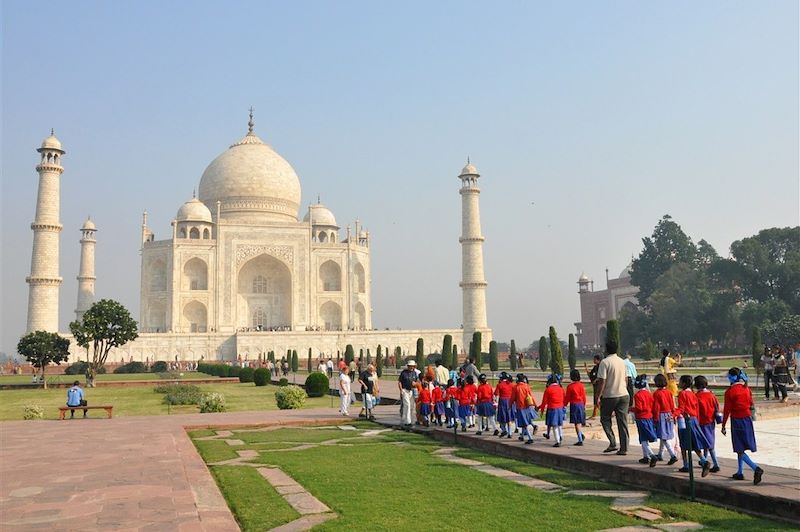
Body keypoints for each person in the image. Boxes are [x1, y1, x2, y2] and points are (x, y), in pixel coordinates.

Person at [721, 367, 764, 485]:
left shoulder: (730, 392)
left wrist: (723, 425)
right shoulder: (746, 389)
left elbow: (726, 411)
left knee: (739, 449)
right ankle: (739, 472)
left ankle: (756, 468)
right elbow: (751, 404)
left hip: (737, 421)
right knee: (741, 447)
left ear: (731, 377)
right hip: (747, 420)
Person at [595, 339, 630, 455]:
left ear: (606, 349)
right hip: (623, 394)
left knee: (605, 419)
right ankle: (624, 448)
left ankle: (613, 442)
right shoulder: (622, 362)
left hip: (610, 395)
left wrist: (598, 396)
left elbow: (602, 381)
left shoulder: (605, 362)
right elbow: (626, 379)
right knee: (622, 422)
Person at [674, 375, 711, 476]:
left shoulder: (682, 393)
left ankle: (686, 465)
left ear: (684, 383)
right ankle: (703, 460)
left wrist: (673, 415)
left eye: (680, 381)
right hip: (694, 420)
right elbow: (696, 408)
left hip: (686, 420)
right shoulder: (693, 394)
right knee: (694, 443)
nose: (679, 383)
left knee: (683, 443)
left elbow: (681, 408)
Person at [694, 375, 721, 473]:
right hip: (711, 422)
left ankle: (714, 463)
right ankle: (707, 461)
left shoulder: (697, 396)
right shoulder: (711, 395)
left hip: (701, 423)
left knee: (707, 444)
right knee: (710, 443)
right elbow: (717, 407)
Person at [630, 374, 658, 466]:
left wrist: (630, 409)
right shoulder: (649, 394)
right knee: (645, 437)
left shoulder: (637, 395)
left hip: (641, 418)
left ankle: (651, 455)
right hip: (649, 417)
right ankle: (646, 456)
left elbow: (639, 408)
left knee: (643, 438)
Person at [651, 373, 678, 465]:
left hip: (661, 416)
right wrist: (673, 415)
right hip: (669, 414)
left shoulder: (656, 394)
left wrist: (655, 419)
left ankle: (672, 455)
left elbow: (656, 408)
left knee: (664, 437)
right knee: (664, 436)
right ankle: (660, 454)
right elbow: (672, 405)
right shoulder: (669, 392)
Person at [539, 374, 566, 447]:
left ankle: (557, 441)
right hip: (560, 408)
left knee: (554, 426)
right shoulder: (561, 389)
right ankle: (560, 437)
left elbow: (544, 401)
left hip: (552, 409)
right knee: (559, 424)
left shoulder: (548, 389)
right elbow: (564, 398)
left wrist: (541, 411)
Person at [512, 373, 537, 444]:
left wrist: (509, 405)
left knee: (524, 423)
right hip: (527, 406)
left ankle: (530, 438)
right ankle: (522, 436)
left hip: (520, 407)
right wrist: (534, 404)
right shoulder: (526, 386)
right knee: (525, 422)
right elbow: (531, 396)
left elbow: (512, 398)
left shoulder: (516, 387)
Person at [566, 369, 586, 446]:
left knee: (576, 423)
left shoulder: (570, 386)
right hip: (581, 404)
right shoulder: (581, 385)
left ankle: (580, 439)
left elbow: (567, 398)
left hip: (574, 405)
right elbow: (584, 396)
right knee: (579, 422)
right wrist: (583, 405)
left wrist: (564, 405)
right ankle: (580, 435)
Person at [398, 360, 418, 427]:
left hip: (412, 391)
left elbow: (417, 381)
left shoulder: (414, 373)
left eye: (413, 366)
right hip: (405, 390)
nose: (411, 367)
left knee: (411, 406)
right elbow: (400, 382)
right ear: (408, 366)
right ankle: (408, 421)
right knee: (407, 405)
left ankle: (406, 418)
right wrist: (401, 390)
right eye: (410, 366)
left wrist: (415, 384)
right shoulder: (404, 373)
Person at [495, 371, 515, 439]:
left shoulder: (499, 385)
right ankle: (510, 433)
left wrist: (496, 402)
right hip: (510, 401)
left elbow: (496, 394)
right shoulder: (511, 384)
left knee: (502, 418)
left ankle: (504, 430)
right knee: (509, 418)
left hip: (502, 401)